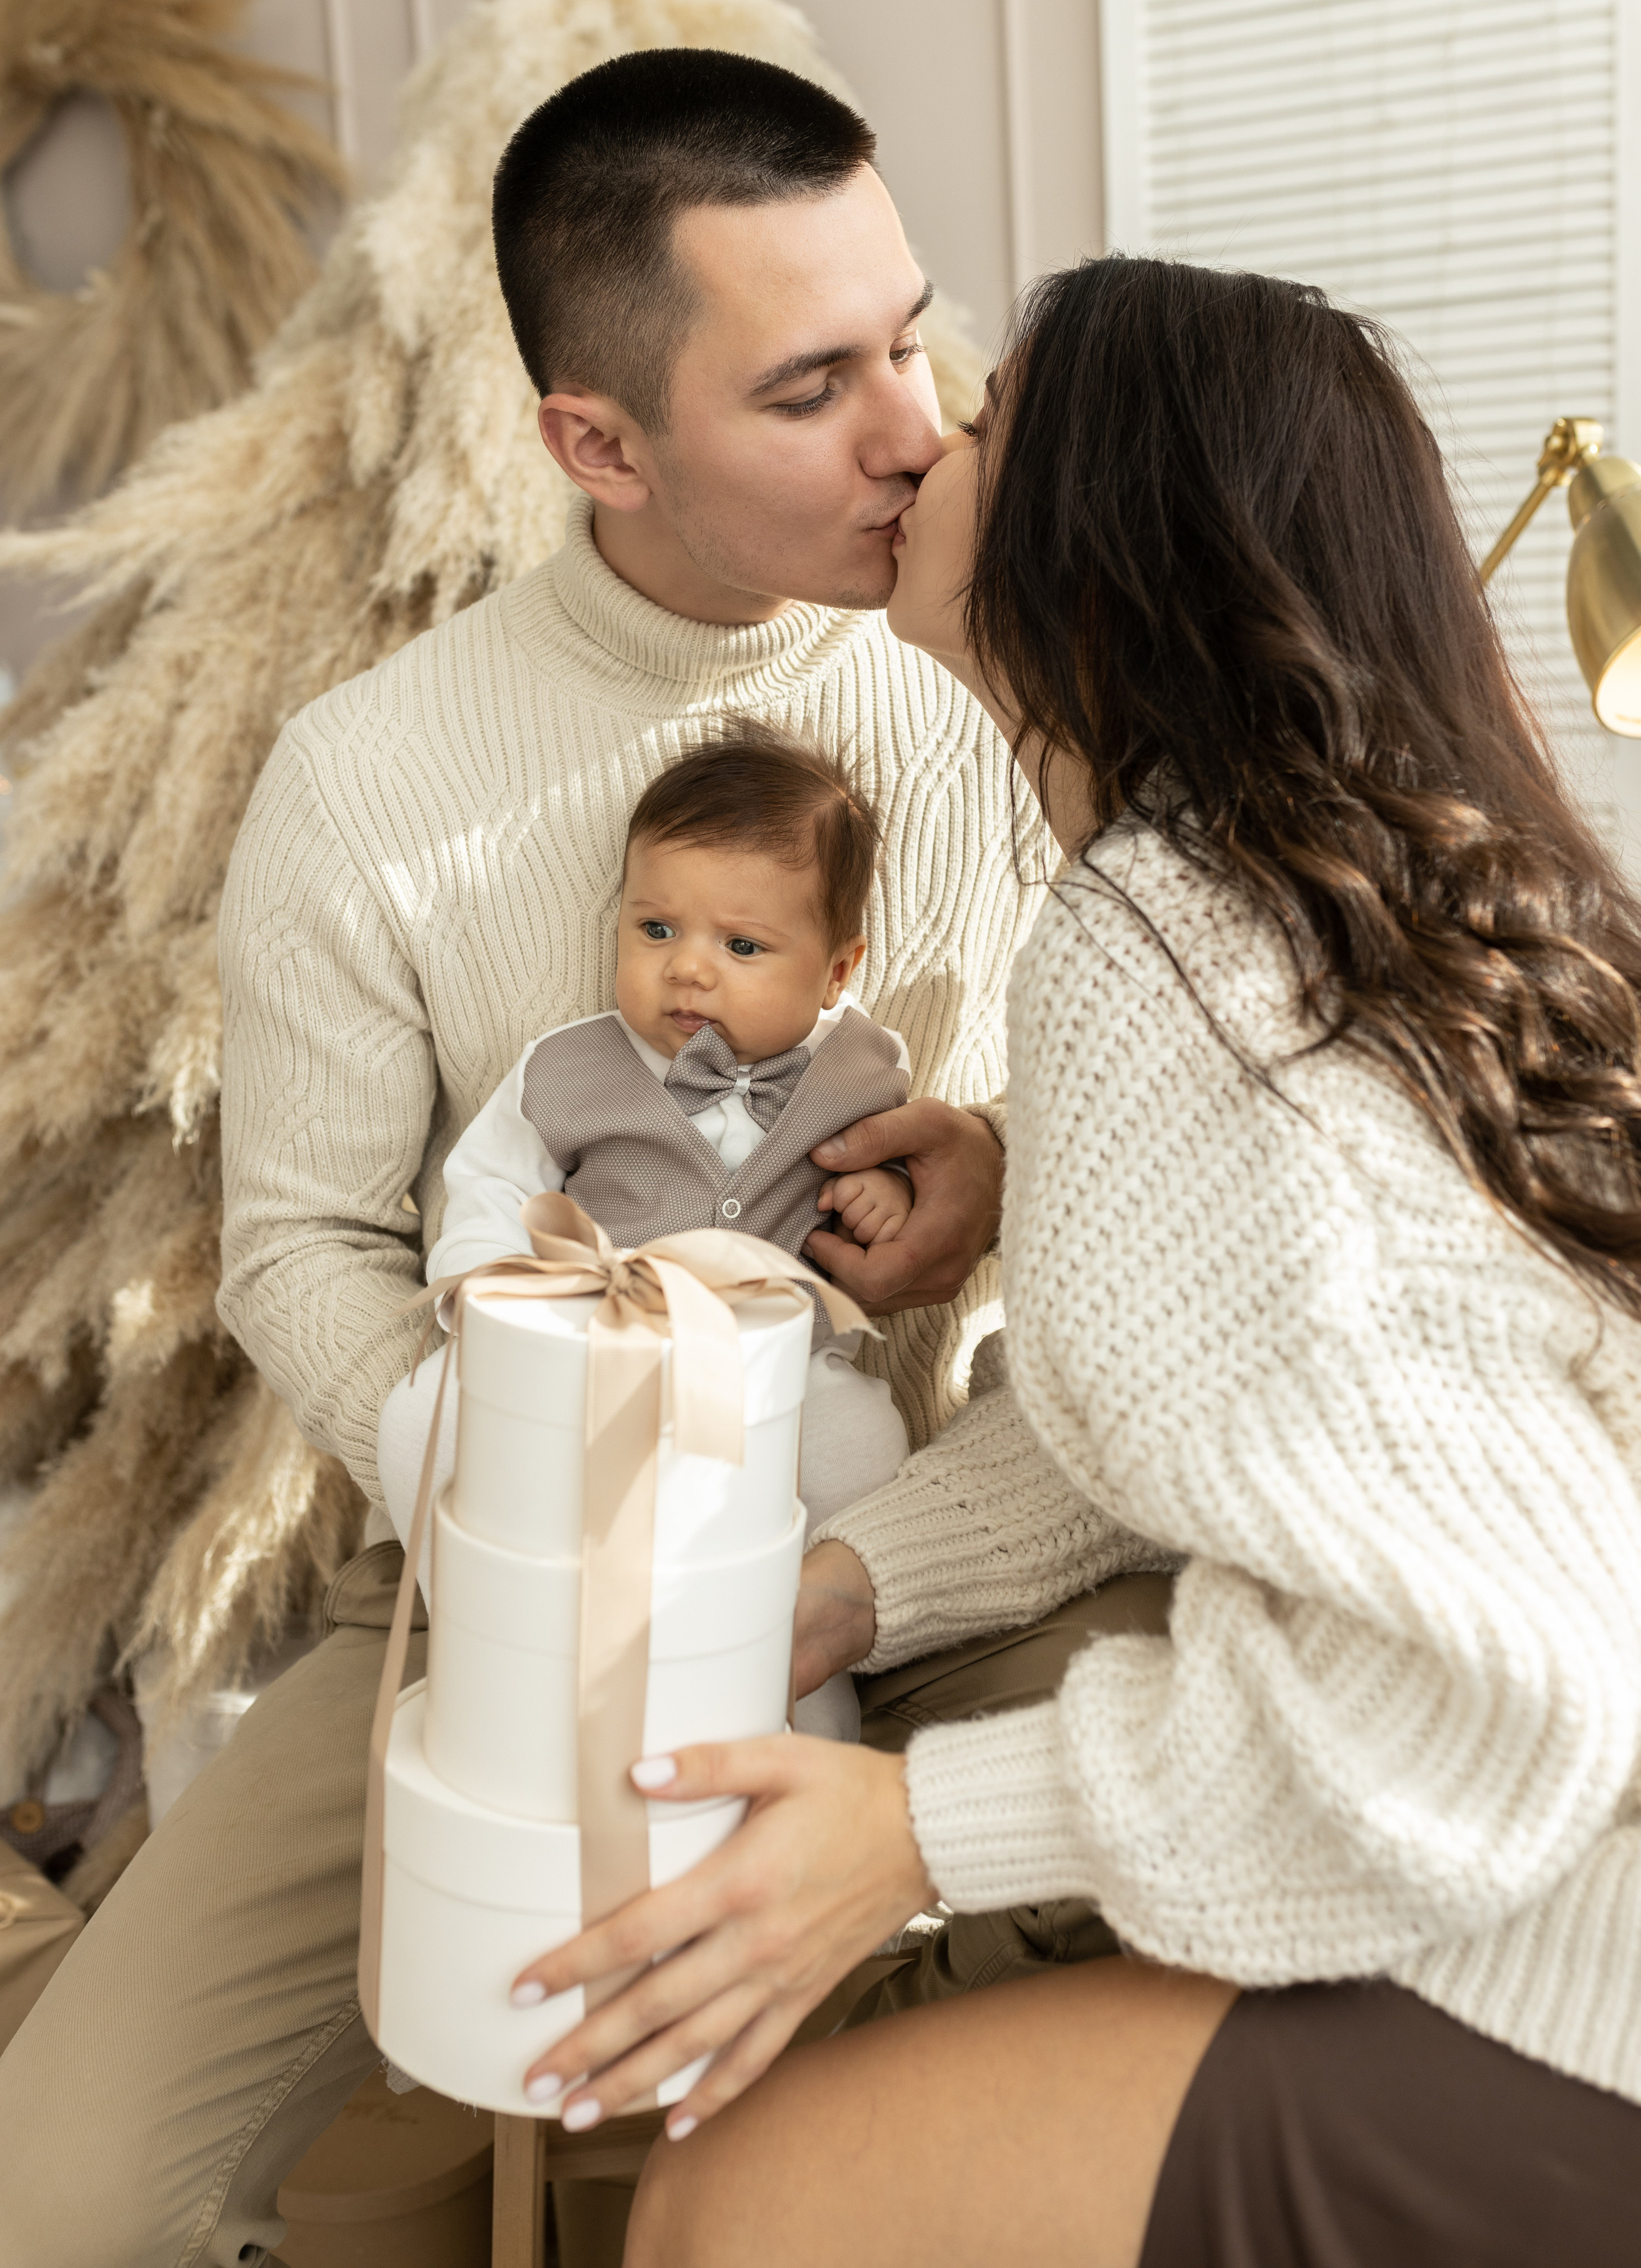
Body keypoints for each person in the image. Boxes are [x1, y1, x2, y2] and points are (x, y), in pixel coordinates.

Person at [0, 53, 1171, 2267]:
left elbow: (1136, 1125)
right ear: (598, 444)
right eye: (814, 384)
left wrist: (997, 1166)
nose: (917, 427)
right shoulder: (371, 781)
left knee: (1250, 1880)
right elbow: (305, 1252)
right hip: (500, 1571)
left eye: (913, 335)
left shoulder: (1006, 676)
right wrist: (521, 1481)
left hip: (956, 1535)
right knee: (55, 2198)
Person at [500, 254, 1641, 2268]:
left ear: (1105, 547)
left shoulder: (1164, 951)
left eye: (976, 419)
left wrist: (917, 1840)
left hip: (1601, 1968)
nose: (913, 441)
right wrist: (851, 1589)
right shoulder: (1335, 893)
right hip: (1594, 1875)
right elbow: (1223, 1378)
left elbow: (1493, 1685)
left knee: (730, 2206)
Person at [392, 730, 922, 1738]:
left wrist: (884, 1194)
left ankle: (811, 1669)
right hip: (602, 1347)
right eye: (655, 929)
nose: (689, 972)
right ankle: (487, 1629)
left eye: (744, 947)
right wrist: (495, 1299)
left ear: (838, 968)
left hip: (778, 1360)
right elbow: (492, 1182)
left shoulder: (865, 1070)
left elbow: (889, 1168)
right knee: (420, 1417)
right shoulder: (570, 1065)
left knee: (863, 1447)